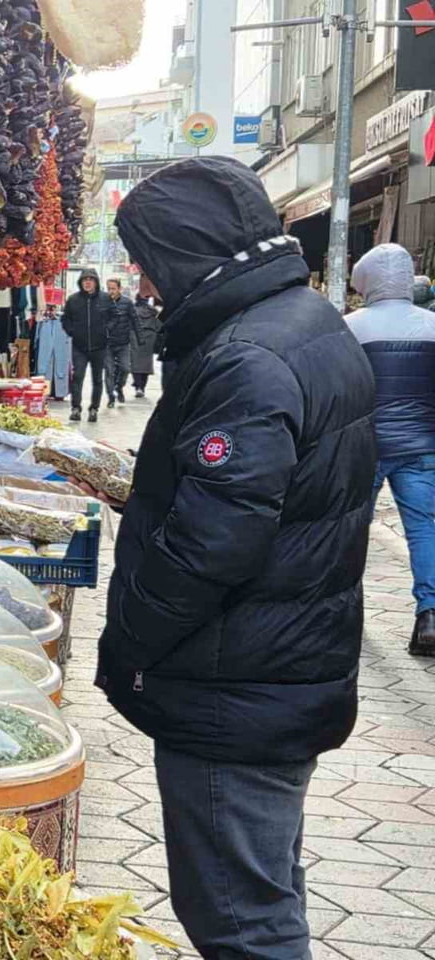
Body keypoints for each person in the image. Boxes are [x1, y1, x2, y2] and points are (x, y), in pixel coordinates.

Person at [100, 155, 375, 960]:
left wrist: (131, 642)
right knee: (260, 891)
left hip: (235, 689)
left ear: (189, 250)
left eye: (148, 262)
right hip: (277, 672)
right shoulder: (304, 320)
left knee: (239, 917)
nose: (144, 286)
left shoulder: (247, 356)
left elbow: (213, 543)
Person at [345, 243, 435, 658]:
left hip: (366, 446)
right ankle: (430, 616)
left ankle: (346, 611)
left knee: (350, 526)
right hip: (423, 445)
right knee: (425, 529)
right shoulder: (432, 325)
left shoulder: (351, 327)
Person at [60, 267, 110, 422]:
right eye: (85, 280)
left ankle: (94, 408)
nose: (87, 283)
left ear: (96, 282)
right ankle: (76, 408)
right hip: (79, 346)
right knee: (78, 377)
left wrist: (106, 332)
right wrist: (72, 332)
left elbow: (114, 317)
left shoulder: (105, 299)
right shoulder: (73, 299)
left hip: (99, 346)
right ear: (80, 282)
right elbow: (65, 319)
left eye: (90, 280)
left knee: (97, 379)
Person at [104, 278, 135, 406]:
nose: (111, 291)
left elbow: (135, 320)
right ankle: (111, 396)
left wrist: (139, 338)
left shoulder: (127, 303)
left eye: (113, 288)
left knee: (125, 368)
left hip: (123, 343)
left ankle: (119, 387)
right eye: (109, 288)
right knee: (109, 370)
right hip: (107, 344)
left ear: (119, 289)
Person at [129, 290, 161, 398]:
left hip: (135, 337)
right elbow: (159, 326)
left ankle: (138, 386)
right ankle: (142, 387)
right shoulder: (153, 312)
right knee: (146, 364)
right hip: (150, 338)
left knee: (135, 364)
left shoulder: (132, 310)